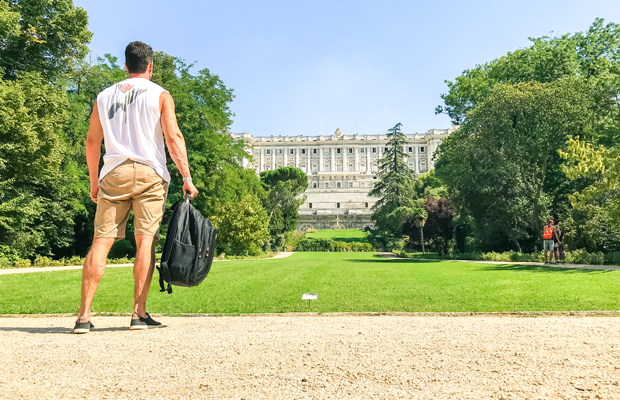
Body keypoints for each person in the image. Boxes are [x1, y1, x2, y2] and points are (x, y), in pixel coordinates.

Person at [74, 41, 198, 334]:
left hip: (113, 173)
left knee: (100, 242)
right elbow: (173, 136)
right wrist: (186, 176)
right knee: (145, 242)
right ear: (150, 66)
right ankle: (137, 314)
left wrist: (95, 180)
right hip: (149, 173)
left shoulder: (103, 96)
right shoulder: (160, 95)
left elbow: (92, 142)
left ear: (126, 66)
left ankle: (83, 316)